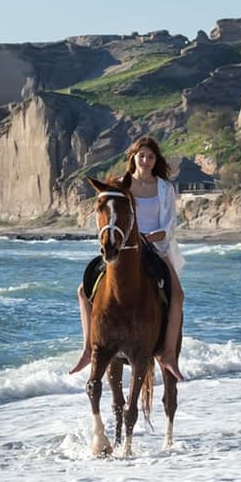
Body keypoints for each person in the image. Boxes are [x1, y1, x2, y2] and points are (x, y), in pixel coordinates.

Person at [70, 136, 186, 381]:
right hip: (122, 248)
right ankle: (88, 349)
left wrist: (151, 237)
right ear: (132, 157)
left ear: (156, 160)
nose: (145, 160)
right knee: (83, 290)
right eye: (141, 155)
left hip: (155, 248)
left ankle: (168, 354)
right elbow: (109, 214)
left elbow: (170, 225)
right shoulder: (122, 184)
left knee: (178, 294)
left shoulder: (165, 188)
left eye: (150, 157)